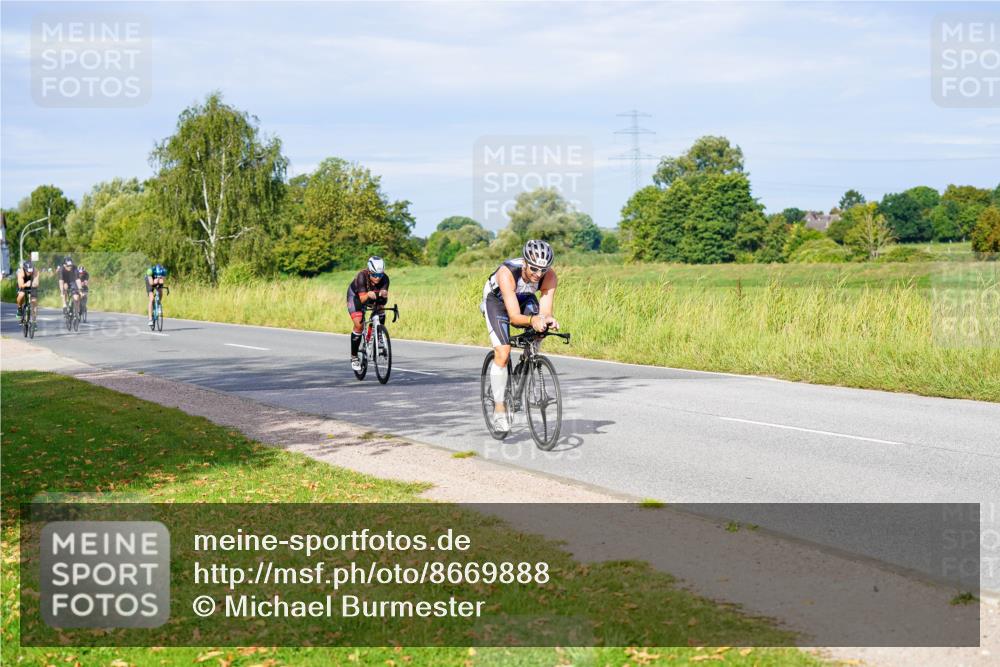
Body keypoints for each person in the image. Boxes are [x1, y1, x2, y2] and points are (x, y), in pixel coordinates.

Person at [480, 239, 559, 433]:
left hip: (524, 299)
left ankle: (528, 359)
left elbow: (545, 310)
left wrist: (547, 320)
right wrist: (532, 320)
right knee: (503, 353)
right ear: (524, 262)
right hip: (497, 301)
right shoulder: (507, 273)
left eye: (543, 270)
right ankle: (499, 409)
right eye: (533, 268)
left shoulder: (549, 276)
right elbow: (515, 317)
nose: (538, 274)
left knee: (540, 330)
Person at [346, 256, 390, 372]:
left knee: (380, 310)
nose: (377, 278)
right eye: (375, 275)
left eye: (380, 275)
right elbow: (362, 300)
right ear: (369, 271)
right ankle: (354, 357)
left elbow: (383, 301)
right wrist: (369, 295)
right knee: (359, 325)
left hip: (371, 296)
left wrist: (384, 295)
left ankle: (378, 335)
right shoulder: (362, 276)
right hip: (355, 297)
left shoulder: (385, 279)